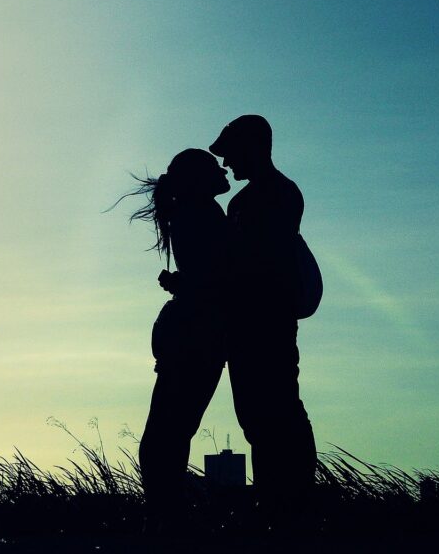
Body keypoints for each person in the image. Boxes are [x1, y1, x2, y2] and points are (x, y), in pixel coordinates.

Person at [209, 115, 317, 524]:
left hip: (267, 322)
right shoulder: (249, 200)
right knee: (258, 416)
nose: (227, 164)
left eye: (232, 153)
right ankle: (277, 502)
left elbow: (256, 261)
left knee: (279, 412)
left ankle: (292, 505)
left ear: (252, 149)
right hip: (245, 324)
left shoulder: (278, 195)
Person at [118, 148, 231, 533]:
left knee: (169, 430)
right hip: (196, 335)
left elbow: (204, 276)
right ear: (200, 179)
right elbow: (213, 278)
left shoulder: (193, 214)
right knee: (170, 430)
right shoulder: (202, 214)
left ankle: (165, 513)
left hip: (190, 332)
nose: (223, 170)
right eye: (214, 167)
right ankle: (166, 517)